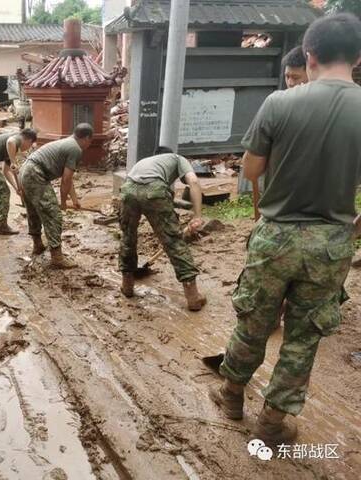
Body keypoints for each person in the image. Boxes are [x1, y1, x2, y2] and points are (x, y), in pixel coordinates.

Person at [209, 13, 361, 445]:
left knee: (253, 323)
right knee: (303, 337)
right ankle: (273, 423)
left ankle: (232, 395)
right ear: (359, 57)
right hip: (331, 242)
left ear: (309, 56)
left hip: (276, 236)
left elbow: (251, 169)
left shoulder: (279, 103)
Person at [118, 147, 207, 311]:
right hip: (154, 189)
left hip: (128, 189)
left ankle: (127, 286)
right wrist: (197, 215)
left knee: (128, 237)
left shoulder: (146, 162)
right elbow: (193, 182)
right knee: (174, 242)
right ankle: (193, 297)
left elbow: (144, 190)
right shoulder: (178, 158)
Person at [19, 123, 93, 269]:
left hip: (25, 171)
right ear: (86, 138)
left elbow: (68, 178)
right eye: (90, 141)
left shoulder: (68, 143)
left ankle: (38, 245)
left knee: (34, 211)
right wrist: (63, 202)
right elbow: (65, 180)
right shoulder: (75, 149)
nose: (89, 144)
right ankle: (57, 257)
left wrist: (75, 200)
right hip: (35, 173)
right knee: (53, 215)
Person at [0, 128, 37, 235]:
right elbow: (10, 141)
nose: (26, 149)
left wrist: (17, 189)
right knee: (3, 192)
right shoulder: (18, 138)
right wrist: (14, 162)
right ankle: (2, 226)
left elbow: (6, 171)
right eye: (29, 146)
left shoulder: (11, 151)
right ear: (29, 141)